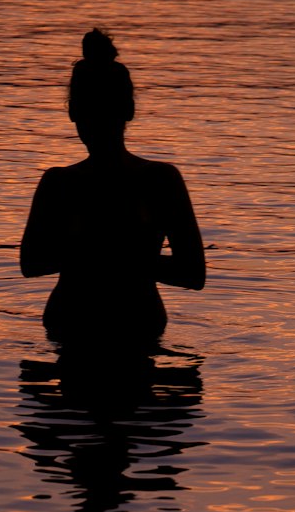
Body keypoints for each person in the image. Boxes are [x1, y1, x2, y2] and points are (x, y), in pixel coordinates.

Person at [20, 29, 205, 346]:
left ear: (73, 113)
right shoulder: (162, 180)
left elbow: (32, 263)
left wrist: (93, 254)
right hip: (136, 321)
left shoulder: (60, 182)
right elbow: (191, 273)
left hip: (73, 322)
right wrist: (129, 257)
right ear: (130, 111)